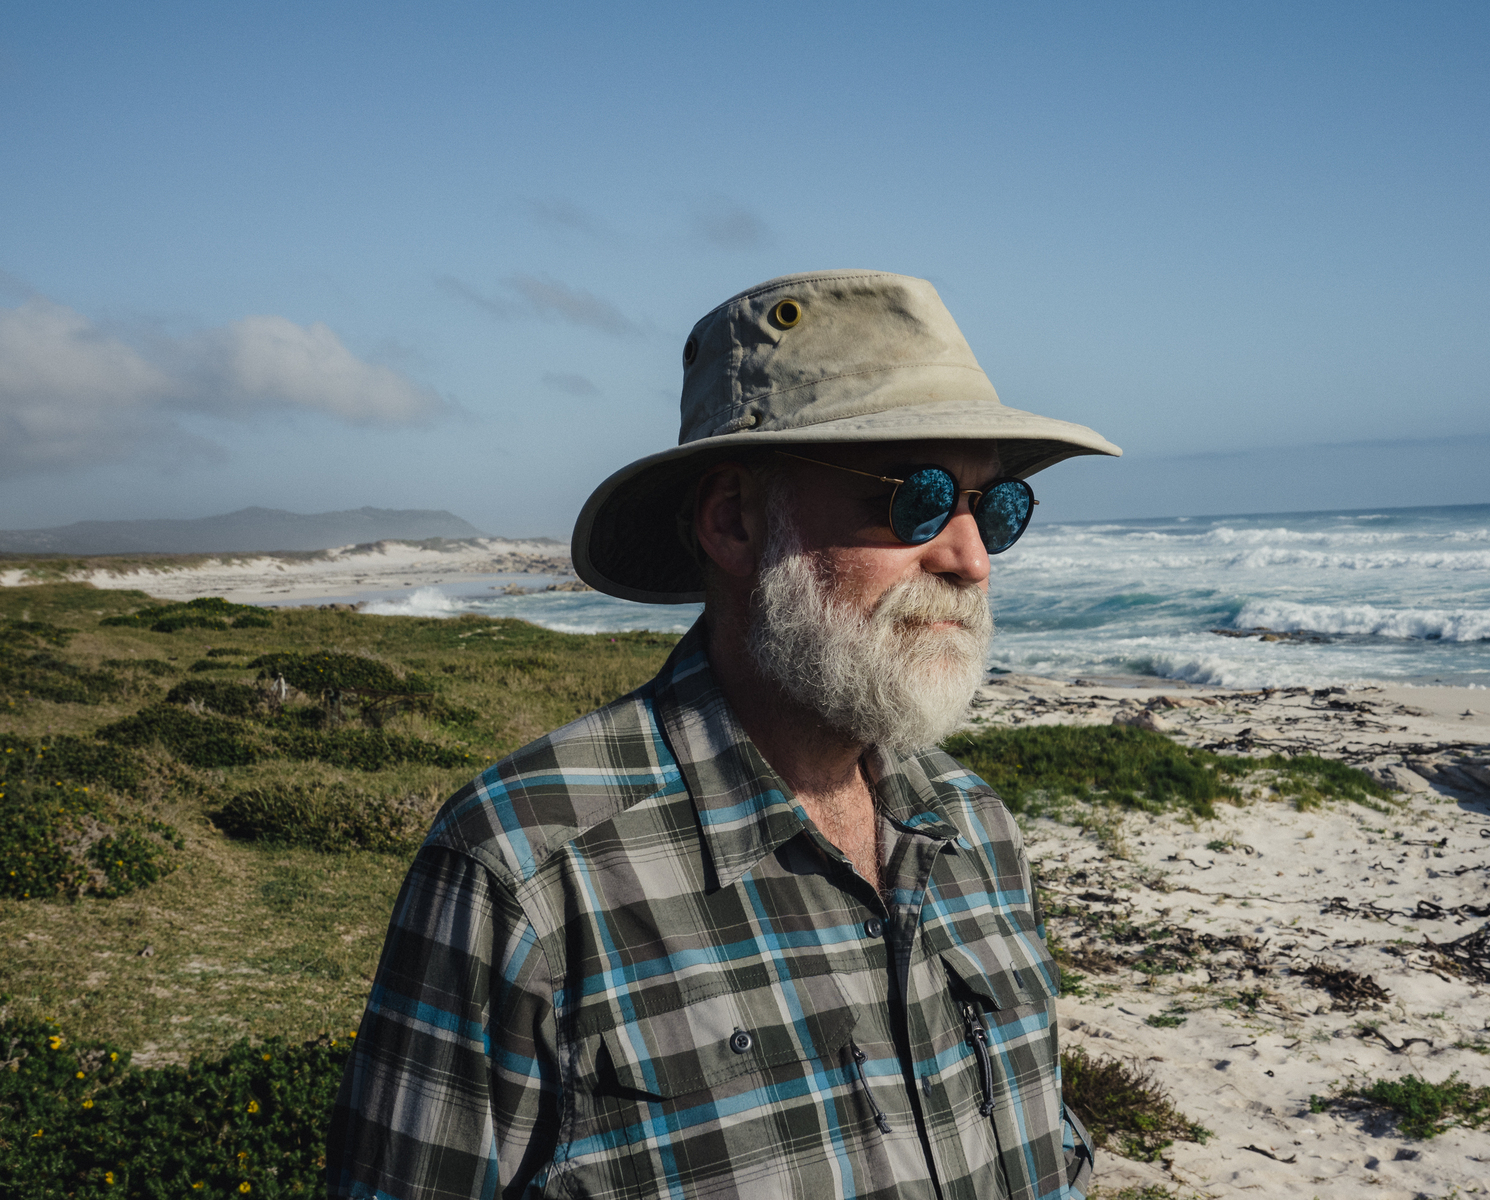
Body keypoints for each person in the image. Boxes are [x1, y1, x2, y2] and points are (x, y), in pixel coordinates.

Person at [327, 269, 1120, 1200]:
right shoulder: (524, 874)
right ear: (734, 521)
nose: (970, 557)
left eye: (995, 506)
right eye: (916, 496)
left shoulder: (977, 831)